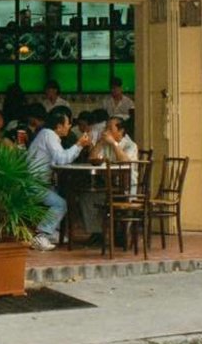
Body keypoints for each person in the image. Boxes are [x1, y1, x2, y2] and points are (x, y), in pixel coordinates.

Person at [25, 107, 91, 251]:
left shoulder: (47, 135)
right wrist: (79, 145)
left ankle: (51, 231)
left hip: (38, 182)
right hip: (33, 184)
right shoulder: (49, 135)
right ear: (59, 126)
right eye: (68, 123)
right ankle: (41, 235)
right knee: (61, 204)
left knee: (58, 193)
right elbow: (61, 159)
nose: (69, 126)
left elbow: (59, 158)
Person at [78, 117, 139, 242]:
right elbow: (92, 158)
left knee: (118, 202)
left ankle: (124, 234)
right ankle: (97, 232)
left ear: (121, 131)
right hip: (108, 186)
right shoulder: (105, 143)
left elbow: (125, 162)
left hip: (127, 188)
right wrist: (100, 143)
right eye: (106, 128)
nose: (106, 131)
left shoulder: (130, 145)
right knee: (87, 197)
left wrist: (113, 143)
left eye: (110, 128)